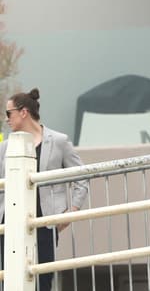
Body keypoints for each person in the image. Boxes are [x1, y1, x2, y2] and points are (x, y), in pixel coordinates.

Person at [0, 88, 89, 291]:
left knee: (43, 281)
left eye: (9, 113)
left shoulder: (58, 141)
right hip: (9, 225)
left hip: (45, 224)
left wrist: (71, 212)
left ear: (23, 112)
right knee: (9, 281)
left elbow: (82, 176)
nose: (6, 119)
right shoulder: (6, 147)